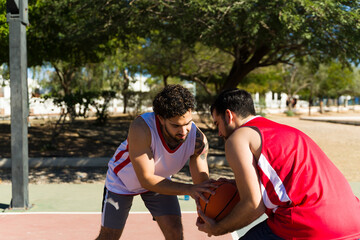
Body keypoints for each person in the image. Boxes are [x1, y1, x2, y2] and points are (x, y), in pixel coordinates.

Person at [197, 89, 360, 239]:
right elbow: (289, 183)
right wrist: (236, 183)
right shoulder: (286, 131)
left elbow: (253, 205)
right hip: (354, 220)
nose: (218, 133)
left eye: (217, 123)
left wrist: (218, 228)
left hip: (313, 225)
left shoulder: (238, 138)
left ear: (228, 115)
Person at [96, 84, 214, 240]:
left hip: (160, 181)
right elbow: (146, 179)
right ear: (160, 119)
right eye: (176, 125)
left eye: (187, 123)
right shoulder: (142, 128)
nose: (184, 131)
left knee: (175, 233)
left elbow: (201, 188)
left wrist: (208, 214)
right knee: (108, 237)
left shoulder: (197, 140)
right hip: (122, 181)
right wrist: (189, 189)